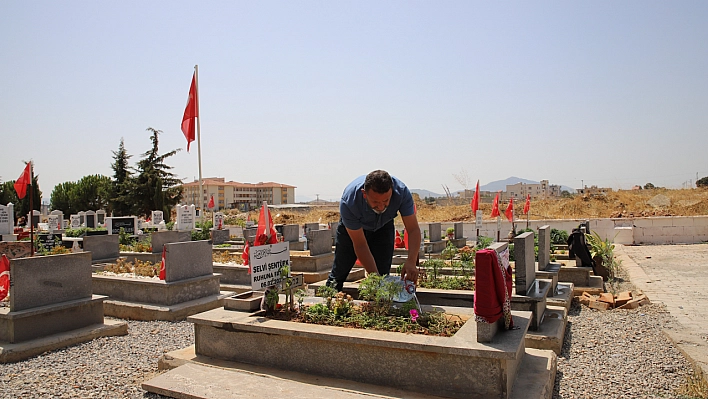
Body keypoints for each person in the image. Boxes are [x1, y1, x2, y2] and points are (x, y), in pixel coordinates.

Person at [326, 170, 421, 291]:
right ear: (364, 194)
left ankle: (380, 304)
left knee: (382, 274)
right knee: (340, 270)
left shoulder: (401, 192)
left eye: (386, 201)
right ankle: (329, 296)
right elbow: (360, 244)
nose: (381, 207)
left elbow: (413, 229)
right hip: (353, 230)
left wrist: (411, 262)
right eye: (375, 202)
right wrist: (374, 278)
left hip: (383, 226)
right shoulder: (350, 202)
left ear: (392, 191)